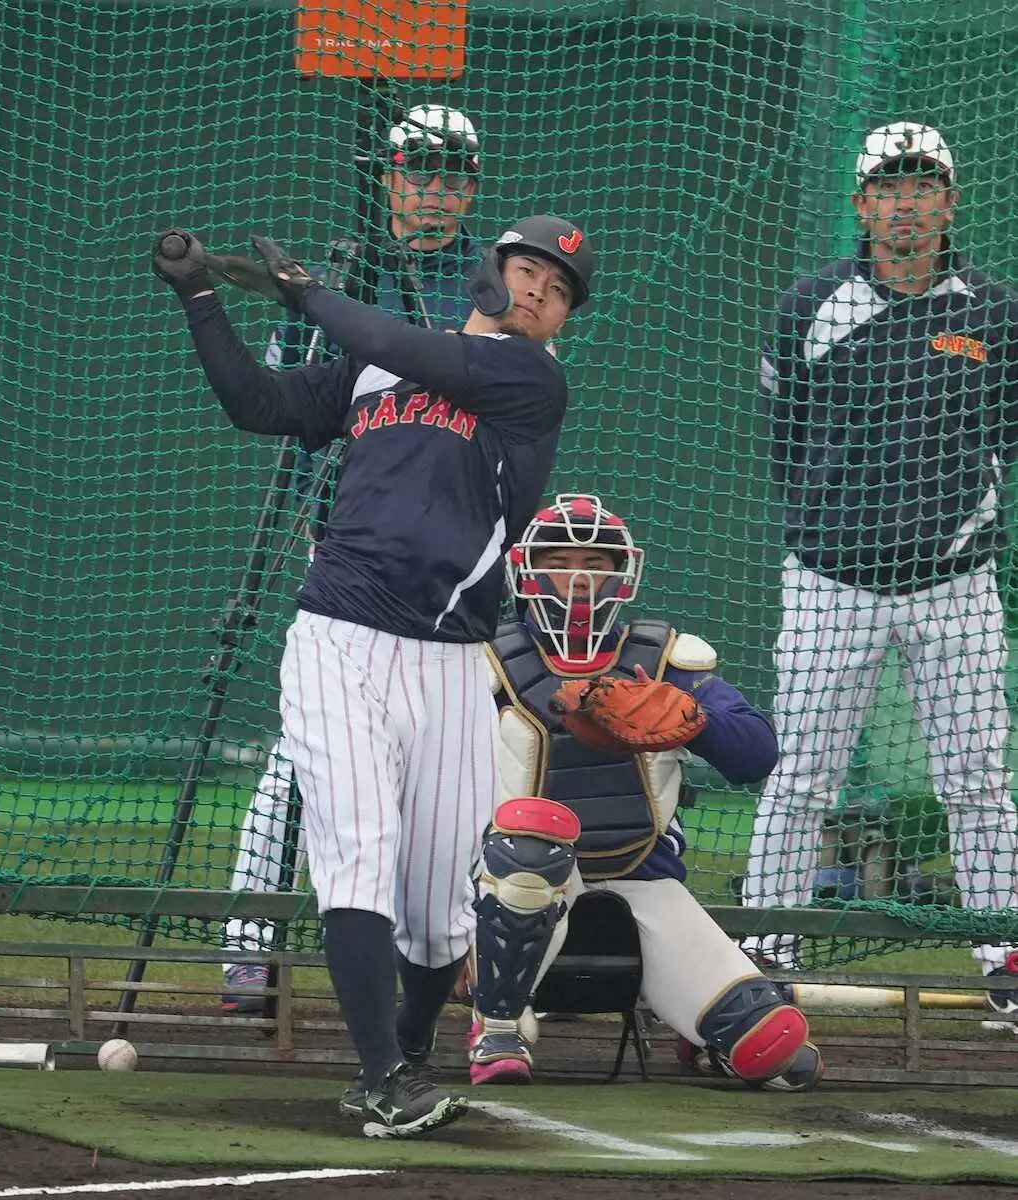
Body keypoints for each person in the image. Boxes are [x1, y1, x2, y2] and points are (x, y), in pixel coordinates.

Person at [151, 214, 594, 1137]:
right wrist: (202, 300)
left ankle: (404, 1050)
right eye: (525, 274)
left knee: (439, 913)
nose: (536, 297)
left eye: (555, 294)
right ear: (487, 273)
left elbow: (396, 339)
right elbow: (262, 407)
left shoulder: (531, 379)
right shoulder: (376, 365)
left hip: (448, 662)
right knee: (356, 852)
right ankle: (385, 1075)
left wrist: (308, 295)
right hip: (340, 638)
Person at [743, 120, 1018, 1017]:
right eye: (889, 189)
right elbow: (781, 441)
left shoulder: (996, 312)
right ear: (861, 205)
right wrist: (831, 526)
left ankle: (1002, 955)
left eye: (923, 187)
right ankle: (763, 958)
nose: (907, 205)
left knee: (978, 780)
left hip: (955, 588)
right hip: (830, 584)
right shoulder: (809, 305)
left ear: (950, 200)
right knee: (800, 780)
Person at [222, 104, 484, 1011]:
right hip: (343, 550)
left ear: (471, 187)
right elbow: (286, 391)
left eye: (450, 174)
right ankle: (250, 941)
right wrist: (315, 299)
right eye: (416, 170)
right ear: (387, 178)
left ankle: (433, 954)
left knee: (441, 771)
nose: (431, 190)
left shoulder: (491, 286)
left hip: (449, 561)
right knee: (303, 756)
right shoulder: (342, 267)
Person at [459, 494, 823, 1091]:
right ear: (525, 570)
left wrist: (695, 719)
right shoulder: (481, 659)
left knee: (775, 1049)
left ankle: (701, 1034)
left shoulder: (662, 661)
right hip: (509, 884)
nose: (578, 578)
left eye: (596, 564)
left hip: (643, 878)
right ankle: (498, 1028)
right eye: (559, 560)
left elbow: (757, 753)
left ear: (623, 573)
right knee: (532, 839)